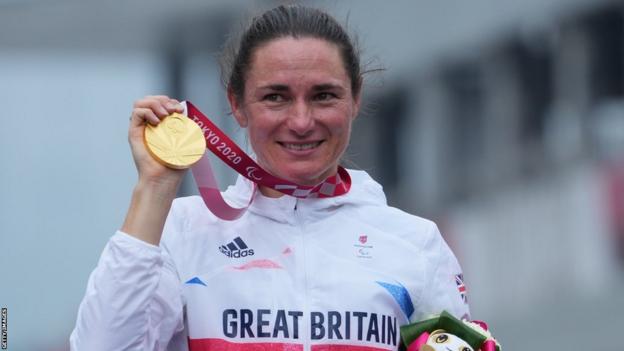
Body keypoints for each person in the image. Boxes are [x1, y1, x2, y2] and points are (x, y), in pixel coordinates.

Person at [70, 5, 469, 351]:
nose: (301, 121)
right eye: (275, 97)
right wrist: (154, 187)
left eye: (323, 95)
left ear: (355, 98)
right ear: (237, 105)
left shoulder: (416, 245)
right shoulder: (183, 233)